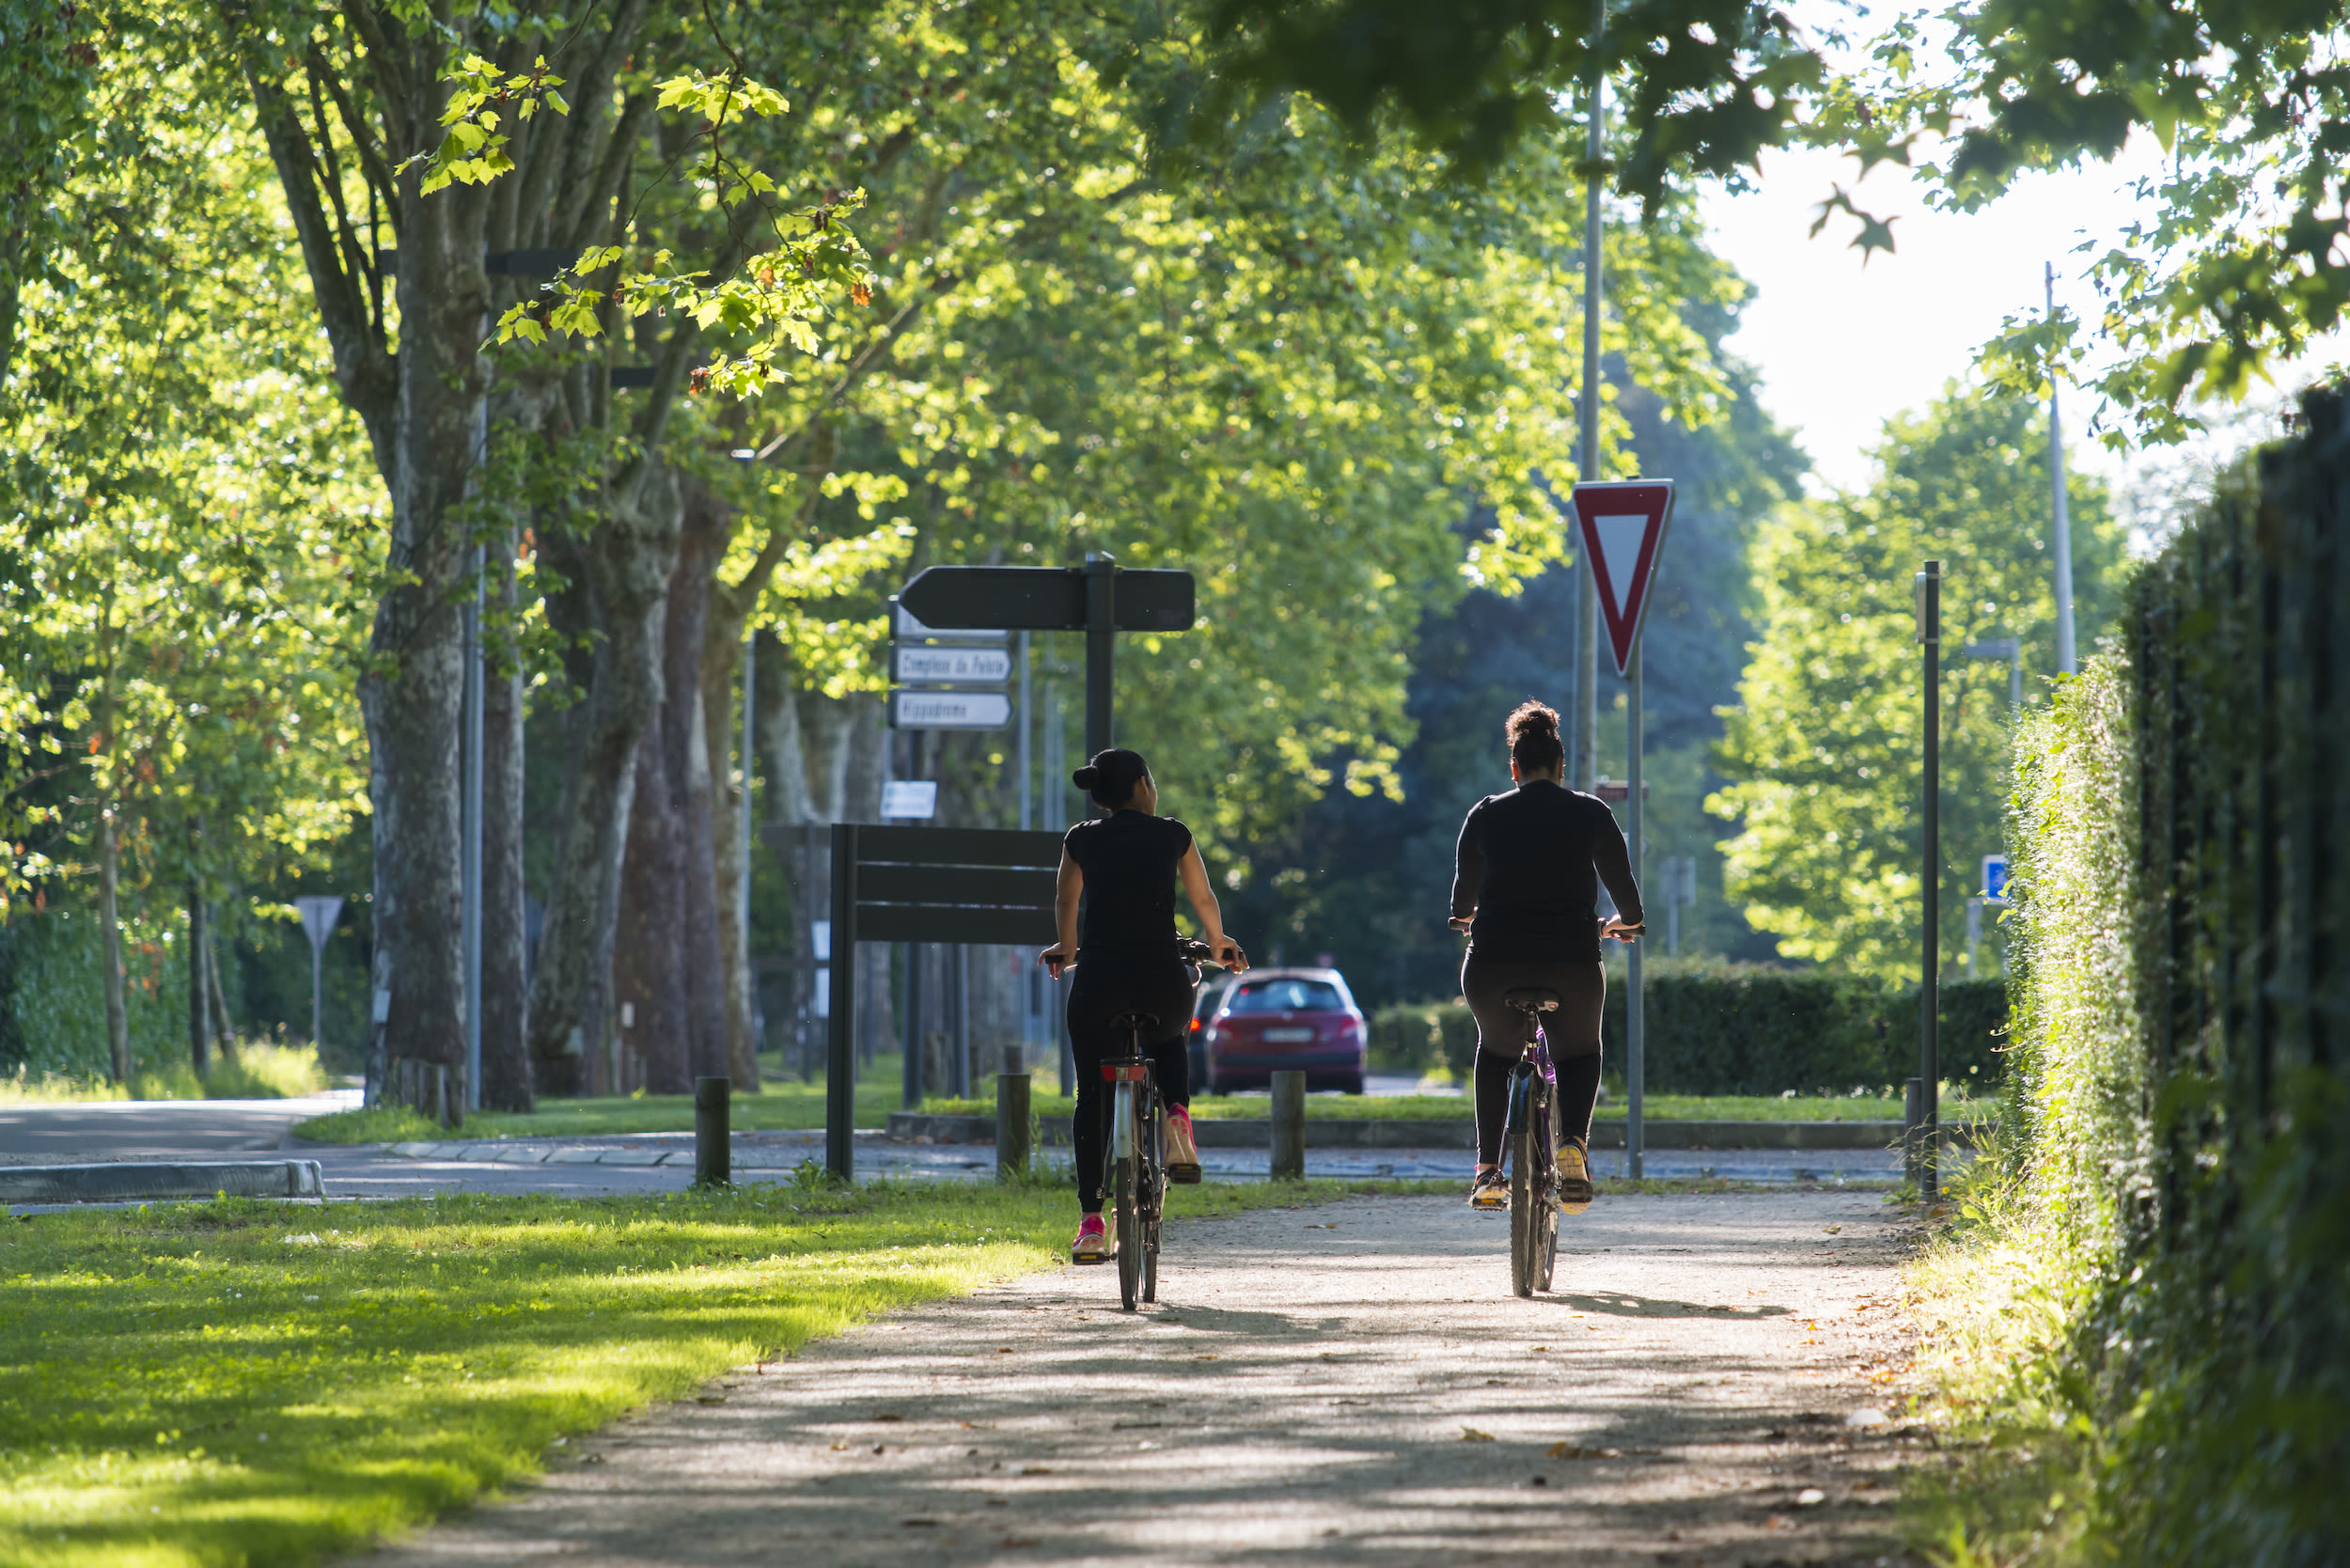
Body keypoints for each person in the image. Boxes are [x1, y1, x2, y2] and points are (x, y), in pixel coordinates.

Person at [1040, 748, 1245, 1264]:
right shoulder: (1173, 833)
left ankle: (1090, 1224)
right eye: (1151, 781)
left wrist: (1066, 948)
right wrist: (1218, 942)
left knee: (1091, 1096)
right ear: (1139, 785)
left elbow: (1067, 901)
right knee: (1170, 1034)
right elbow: (1203, 898)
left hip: (1100, 985)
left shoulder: (1080, 838)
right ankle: (1177, 1117)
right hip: (1161, 982)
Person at [1448, 700, 1642, 1215]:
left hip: (1494, 965)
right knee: (1580, 1053)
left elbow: (1461, 901)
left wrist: (1467, 918)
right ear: (1561, 768)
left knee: (1494, 1052)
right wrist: (1625, 924)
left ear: (1514, 769)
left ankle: (1488, 1169)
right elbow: (1628, 899)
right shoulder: (1590, 812)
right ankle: (1573, 1145)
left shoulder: (1486, 813)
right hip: (1572, 962)